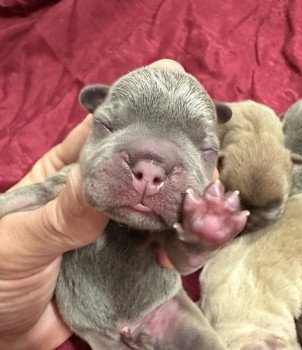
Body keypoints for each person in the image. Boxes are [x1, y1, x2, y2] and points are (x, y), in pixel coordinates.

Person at [0, 59, 207, 350]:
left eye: (204, 147)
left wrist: (201, 238)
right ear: (94, 113)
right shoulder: (71, 181)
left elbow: (185, 260)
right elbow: (14, 202)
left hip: (161, 305)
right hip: (85, 322)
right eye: (111, 126)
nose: (149, 173)